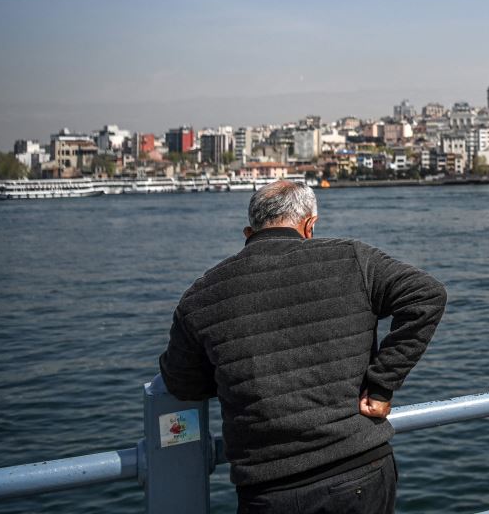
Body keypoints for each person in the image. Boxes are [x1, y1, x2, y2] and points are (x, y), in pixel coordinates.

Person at [159, 180, 447, 513]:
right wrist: (381, 386)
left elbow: (182, 384)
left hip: (268, 487)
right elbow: (427, 295)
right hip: (358, 469)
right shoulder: (351, 259)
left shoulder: (201, 295)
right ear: (310, 225)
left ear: (248, 232)